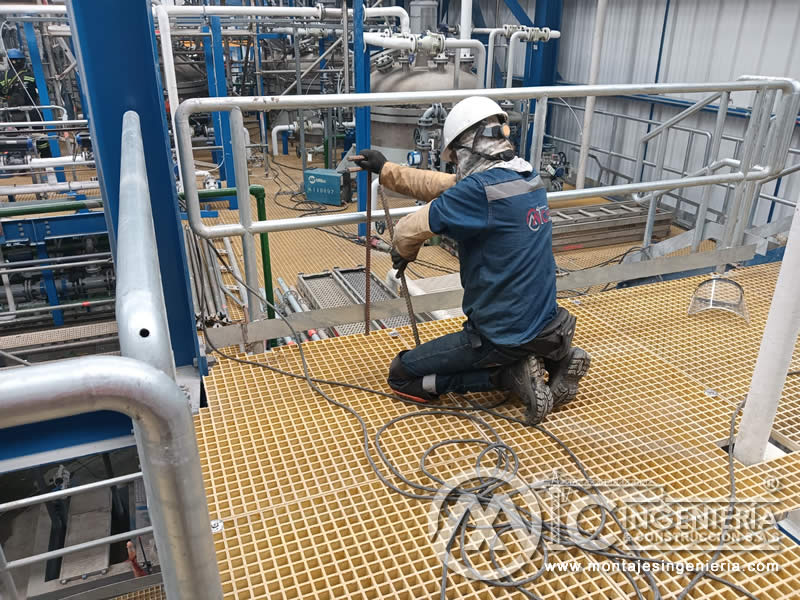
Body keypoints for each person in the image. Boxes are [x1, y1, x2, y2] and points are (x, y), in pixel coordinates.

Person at [355, 96, 590, 425]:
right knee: (514, 336)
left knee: (402, 374)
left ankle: (507, 376)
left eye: (454, 157)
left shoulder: (479, 192)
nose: (453, 165)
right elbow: (445, 186)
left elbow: (410, 229)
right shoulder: (526, 178)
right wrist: (386, 170)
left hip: (502, 332)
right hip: (546, 321)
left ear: (466, 148)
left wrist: (401, 253)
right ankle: (557, 360)